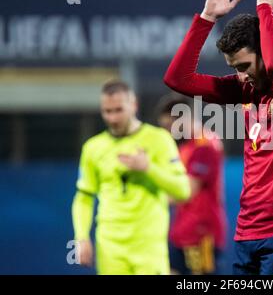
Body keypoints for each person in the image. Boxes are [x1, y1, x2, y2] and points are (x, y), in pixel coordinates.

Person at [164, 0, 273, 275]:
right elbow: (178, 79)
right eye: (234, 69)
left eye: (244, 66)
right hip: (247, 233)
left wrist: (265, 8)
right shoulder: (244, 91)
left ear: (264, 52)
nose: (240, 77)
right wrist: (207, 18)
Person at [71, 80, 190, 275]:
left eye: (118, 110)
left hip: (149, 247)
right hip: (110, 247)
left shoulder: (159, 139)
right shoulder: (93, 148)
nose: (113, 117)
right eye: (107, 111)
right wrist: (81, 236)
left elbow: (183, 191)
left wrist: (148, 168)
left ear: (133, 105)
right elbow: (84, 197)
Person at [156, 94, 227, 275]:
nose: (168, 132)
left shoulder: (205, 144)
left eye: (170, 126)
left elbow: (187, 190)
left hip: (202, 233)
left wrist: (149, 200)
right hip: (182, 231)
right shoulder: (185, 147)